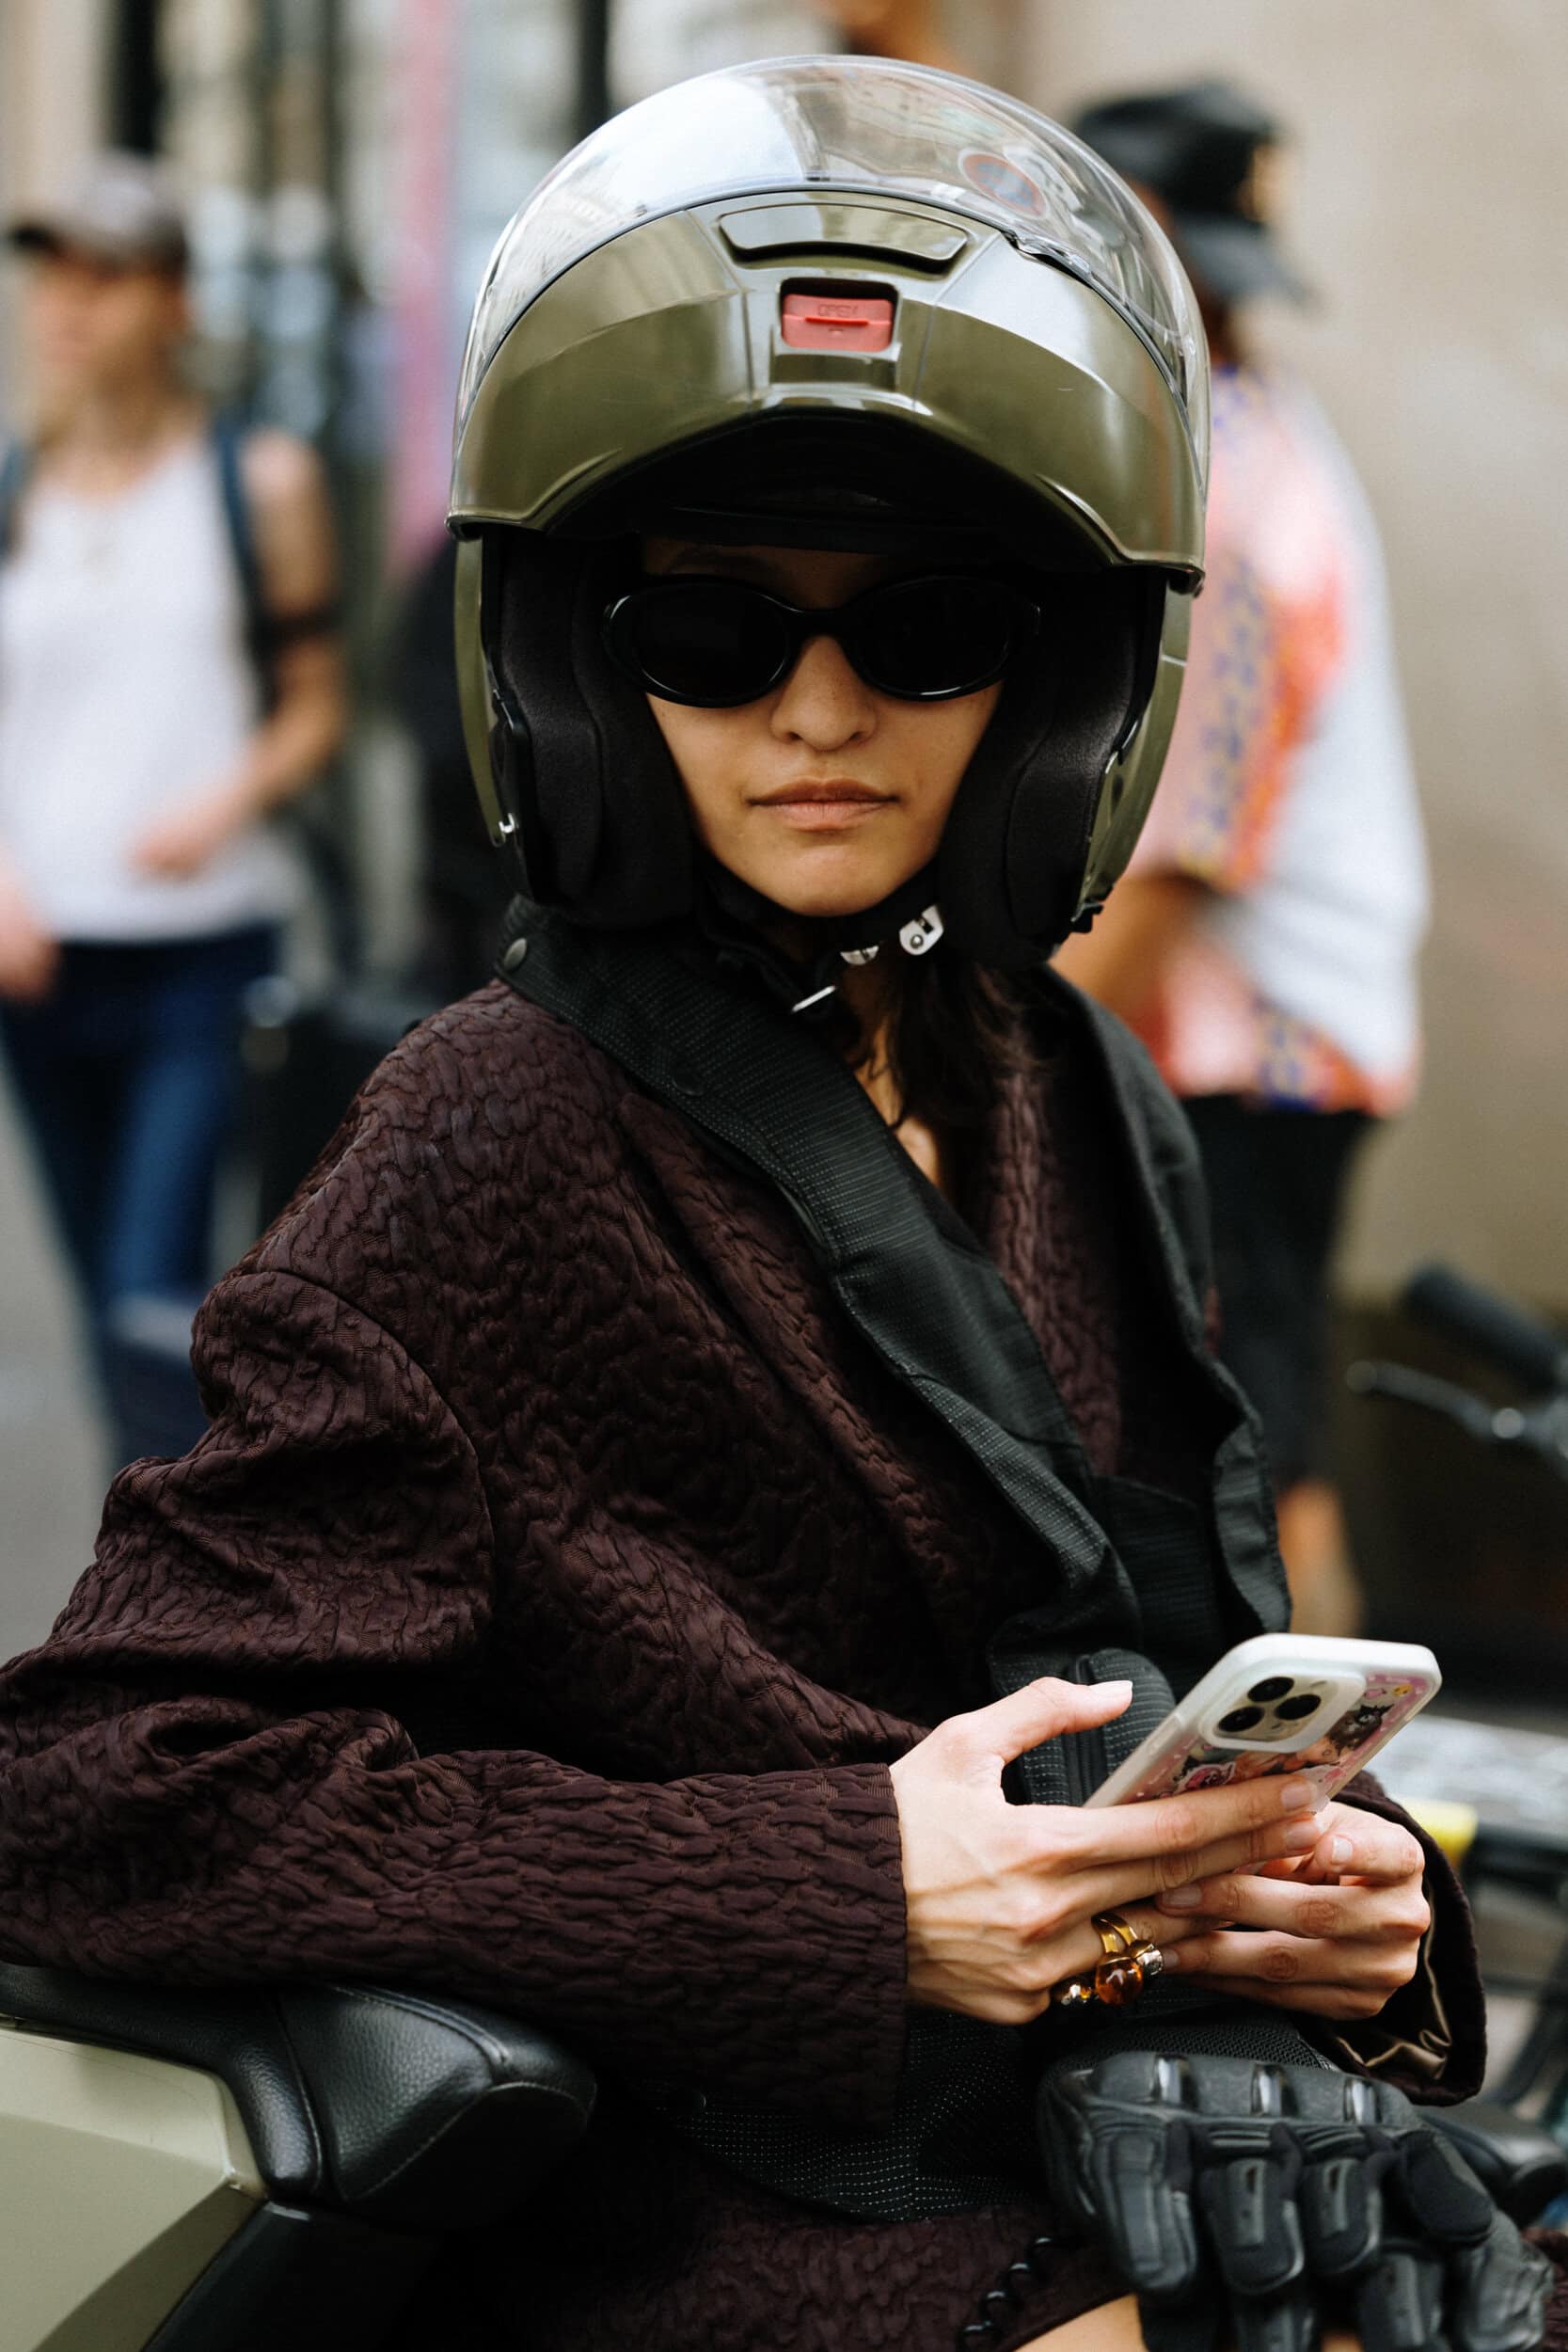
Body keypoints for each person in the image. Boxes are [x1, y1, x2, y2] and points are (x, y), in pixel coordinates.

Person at [0, 64, 1553, 2352]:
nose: (818, 712)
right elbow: (102, 1783)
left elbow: (1155, 1644)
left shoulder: (1066, 1076)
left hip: (1083, 2116)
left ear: (1060, 677)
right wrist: (841, 1888)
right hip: (715, 2194)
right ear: (577, 667)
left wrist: (1334, 1902)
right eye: (709, 635)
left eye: (924, 633)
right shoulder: (491, 1126)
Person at [1057, 84, 1430, 1638]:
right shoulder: (1231, 434)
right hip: (1276, 1038)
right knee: (1257, 1429)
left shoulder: (1225, 508)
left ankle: (1334, 1759)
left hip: (1254, 1054)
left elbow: (1178, 856)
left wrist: (984, 1056)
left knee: (1254, 1451)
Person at [0, 152, 345, 1466]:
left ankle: (155, 1540)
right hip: (37, 964)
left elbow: (317, 706)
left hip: (200, 956)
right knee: (105, 1296)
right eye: (53, 274)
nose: (70, 303)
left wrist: (223, 799)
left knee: (153, 1288)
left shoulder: (260, 483)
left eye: (108, 274)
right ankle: (156, 1533)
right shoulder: (14, 488)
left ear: (175, 302)